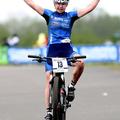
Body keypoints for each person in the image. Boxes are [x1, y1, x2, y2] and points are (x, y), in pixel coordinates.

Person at [24, 0, 100, 119]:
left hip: (67, 50)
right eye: (58, 3)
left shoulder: (71, 16)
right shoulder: (49, 14)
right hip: (52, 51)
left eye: (63, 3)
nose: (60, 6)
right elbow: (33, 5)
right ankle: (49, 111)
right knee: (48, 77)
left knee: (81, 63)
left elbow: (89, 8)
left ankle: (71, 86)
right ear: (54, 4)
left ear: (67, 4)